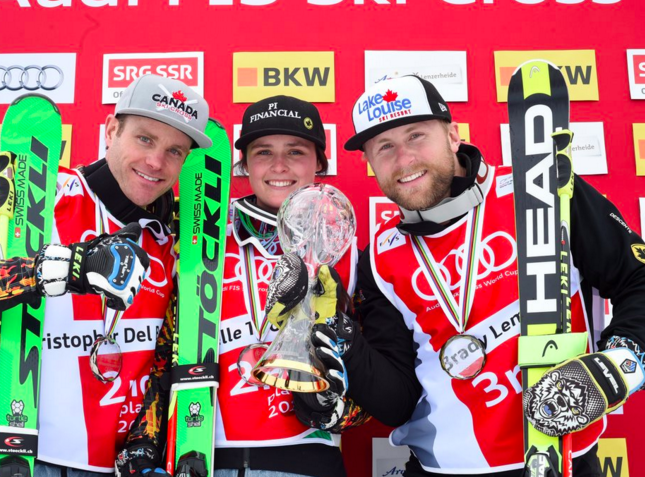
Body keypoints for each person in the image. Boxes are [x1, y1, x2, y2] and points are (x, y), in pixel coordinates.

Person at [266, 75, 645, 476]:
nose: (404, 159)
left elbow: (636, 279)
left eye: (416, 136)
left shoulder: (539, 190)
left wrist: (621, 360)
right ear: (369, 162)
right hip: (437, 469)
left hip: (558, 459)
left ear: (453, 134)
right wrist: (341, 335)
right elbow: (397, 403)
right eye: (385, 147)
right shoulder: (380, 257)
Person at [0, 74, 212, 476]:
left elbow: (166, 358)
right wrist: (52, 270)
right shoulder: (34, 194)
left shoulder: (179, 239)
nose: (155, 162)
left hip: (103, 465)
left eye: (175, 151)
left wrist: (144, 444)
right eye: (145, 139)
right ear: (111, 130)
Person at [116, 95, 367, 477]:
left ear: (319, 163)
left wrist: (337, 411)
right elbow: (160, 352)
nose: (279, 166)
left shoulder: (344, 252)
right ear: (244, 164)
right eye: (263, 152)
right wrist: (144, 444)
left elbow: (375, 373)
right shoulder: (199, 235)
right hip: (201, 457)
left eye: (296, 152)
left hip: (308, 461)